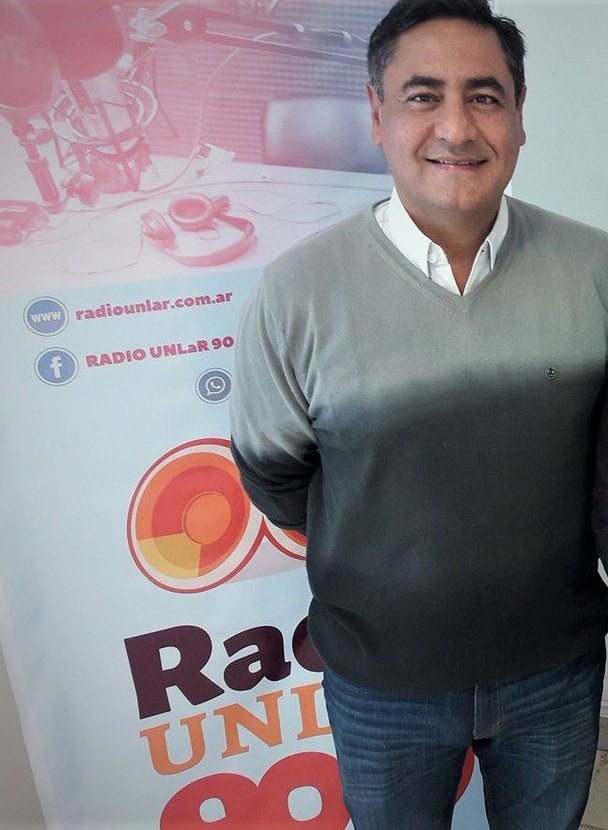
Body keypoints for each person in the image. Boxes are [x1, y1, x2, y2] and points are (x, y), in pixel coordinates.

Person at [229, 0, 608, 826]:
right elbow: (276, 476)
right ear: (376, 113)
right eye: (422, 95)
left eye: (485, 96)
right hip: (381, 684)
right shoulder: (298, 292)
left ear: (519, 114)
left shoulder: (595, 272)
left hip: (557, 671)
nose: (456, 127)